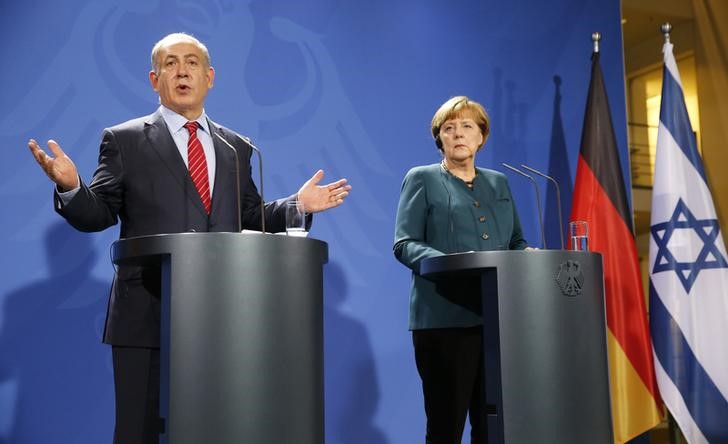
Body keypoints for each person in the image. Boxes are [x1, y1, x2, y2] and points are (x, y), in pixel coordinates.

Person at [28, 32, 351, 444]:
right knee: (138, 431)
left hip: (223, 317)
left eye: (192, 63)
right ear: (154, 78)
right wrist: (72, 187)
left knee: (218, 429)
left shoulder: (236, 147)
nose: (182, 71)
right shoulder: (124, 140)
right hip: (147, 312)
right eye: (171, 63)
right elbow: (99, 213)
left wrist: (296, 206)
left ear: (210, 76)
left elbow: (248, 218)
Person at [393, 96, 528, 444]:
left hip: (498, 322)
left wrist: (528, 257)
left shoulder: (498, 183)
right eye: (448, 128)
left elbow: (515, 241)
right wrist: (447, 264)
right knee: (445, 427)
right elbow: (405, 243)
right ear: (439, 139)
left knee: (494, 427)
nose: (458, 134)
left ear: (481, 136)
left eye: (467, 126)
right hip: (444, 319)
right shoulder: (421, 178)